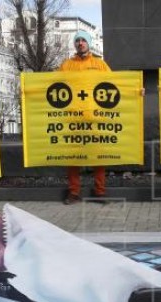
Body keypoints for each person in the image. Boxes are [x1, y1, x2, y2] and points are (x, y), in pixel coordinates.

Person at [57, 30, 112, 205]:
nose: (80, 43)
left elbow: (116, 83)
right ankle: (74, 193)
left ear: (89, 43)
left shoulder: (100, 64)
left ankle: (100, 192)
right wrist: (28, 91)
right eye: (77, 40)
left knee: (99, 156)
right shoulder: (66, 65)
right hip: (73, 118)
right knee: (73, 157)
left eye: (83, 40)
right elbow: (53, 86)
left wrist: (136, 92)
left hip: (95, 116)